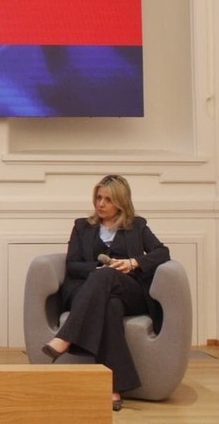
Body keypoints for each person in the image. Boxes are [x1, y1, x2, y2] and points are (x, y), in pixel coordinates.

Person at [41, 174, 170, 412]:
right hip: (92, 292)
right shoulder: (82, 226)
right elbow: (72, 264)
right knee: (110, 306)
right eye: (98, 198)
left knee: (108, 276)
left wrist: (133, 263)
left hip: (130, 291)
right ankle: (113, 387)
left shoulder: (137, 226)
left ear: (121, 202)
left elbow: (162, 253)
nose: (100, 204)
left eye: (108, 200)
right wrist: (97, 269)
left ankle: (66, 338)